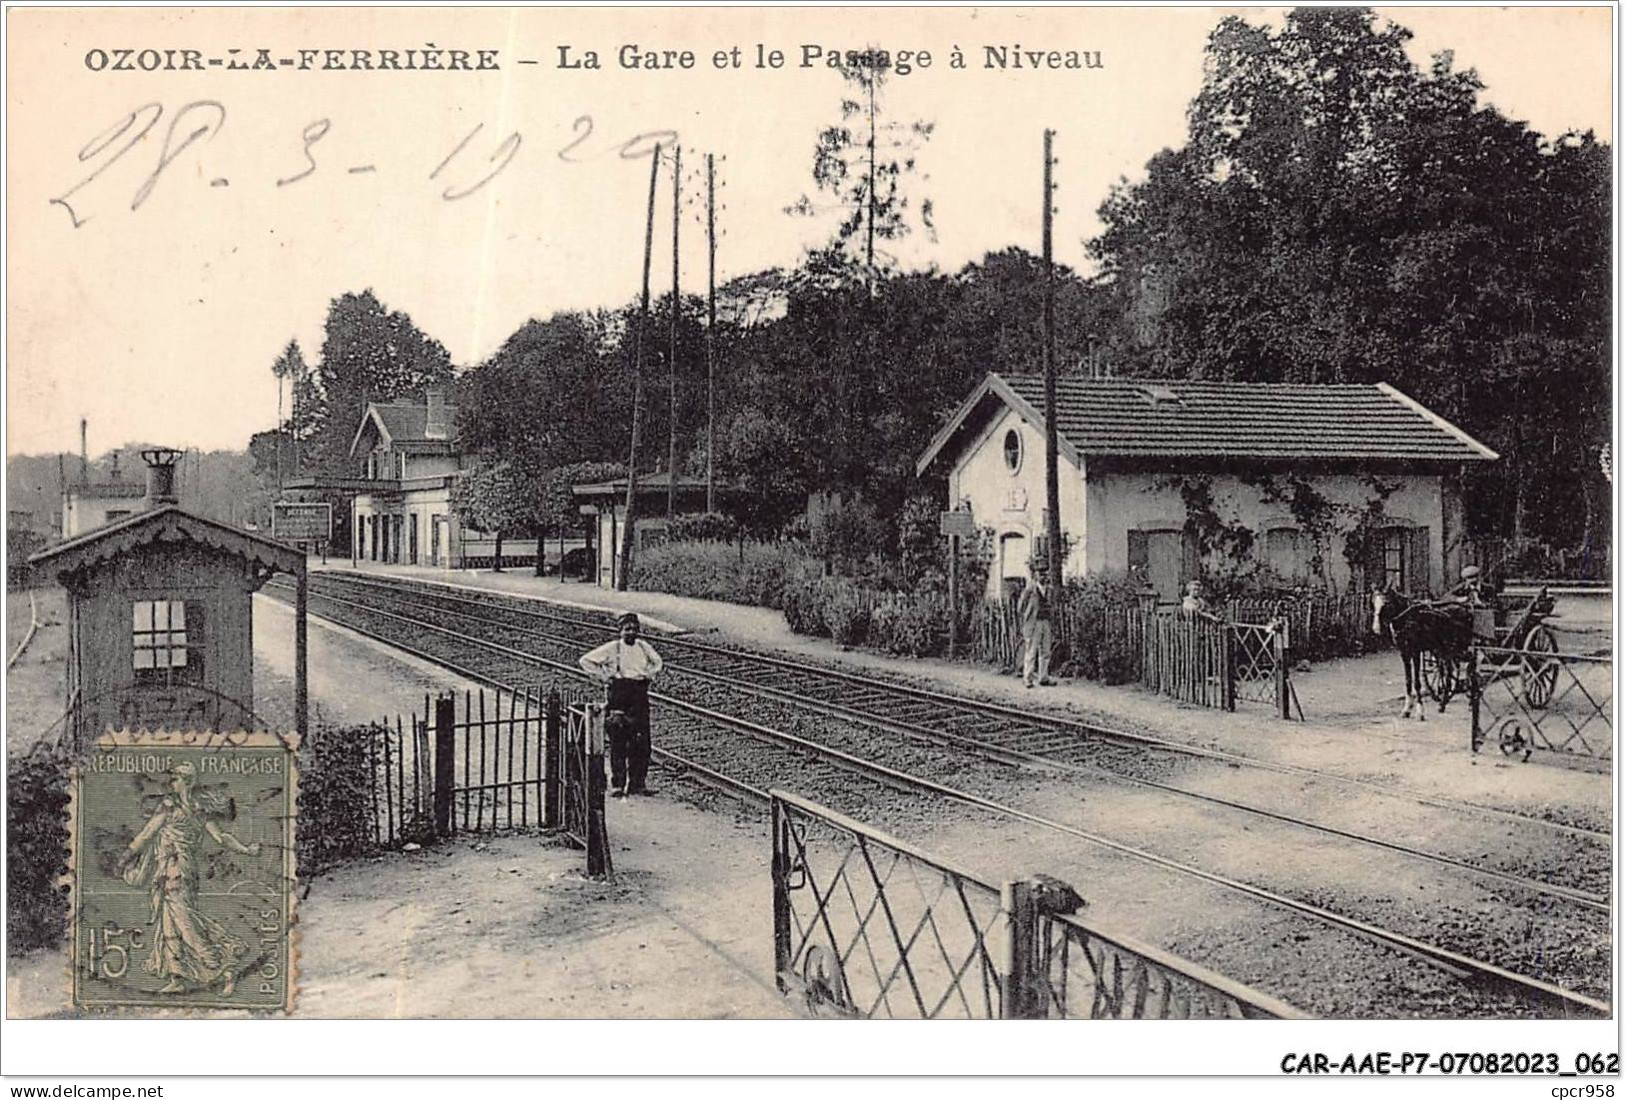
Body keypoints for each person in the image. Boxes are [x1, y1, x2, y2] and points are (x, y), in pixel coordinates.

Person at [117, 762, 260, 995]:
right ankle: (178, 977)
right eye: (171, 779)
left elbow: (147, 834)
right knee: (168, 925)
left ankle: (225, 967)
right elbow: (220, 837)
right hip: (172, 872)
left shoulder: (172, 807)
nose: (171, 783)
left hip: (178, 871)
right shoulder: (196, 810)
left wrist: (125, 857)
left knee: (187, 924)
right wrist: (246, 850)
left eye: (175, 779)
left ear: (187, 781)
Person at [579, 612, 664, 797]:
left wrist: (648, 674)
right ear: (620, 631)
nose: (631, 632)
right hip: (619, 693)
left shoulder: (643, 646)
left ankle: (638, 784)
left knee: (641, 742)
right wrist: (604, 676)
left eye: (634, 628)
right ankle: (618, 784)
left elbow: (658, 662)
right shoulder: (612, 648)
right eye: (627, 629)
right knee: (618, 741)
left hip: (639, 695)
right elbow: (585, 661)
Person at [1019, 574, 1054, 688]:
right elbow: (1020, 605)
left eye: (1045, 573)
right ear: (1036, 575)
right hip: (1034, 623)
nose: (1044, 576)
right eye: (1041, 573)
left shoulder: (1048, 590)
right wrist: (1026, 618)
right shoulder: (1030, 590)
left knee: (1046, 651)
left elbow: (1051, 605)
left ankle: (1043, 677)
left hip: (1046, 622)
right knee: (1031, 651)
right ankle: (1027, 678)